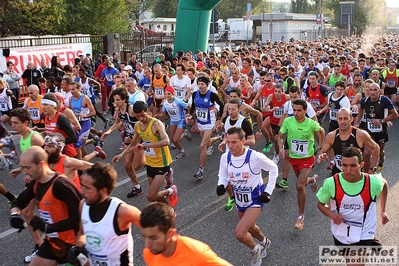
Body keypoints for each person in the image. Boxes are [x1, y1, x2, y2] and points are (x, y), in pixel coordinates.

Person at [10, 146, 82, 266]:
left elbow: (79, 217)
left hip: (73, 244)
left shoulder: (61, 184)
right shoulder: (36, 183)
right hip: (53, 241)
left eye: (28, 167)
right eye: (23, 168)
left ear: (41, 164)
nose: (25, 172)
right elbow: (19, 202)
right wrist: (14, 215)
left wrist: (48, 227)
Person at [216, 127, 277, 266]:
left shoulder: (254, 157)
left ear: (244, 141)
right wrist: (221, 185)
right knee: (250, 227)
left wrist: (268, 191)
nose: (230, 146)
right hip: (240, 199)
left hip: (256, 198)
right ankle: (264, 242)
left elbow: (273, 168)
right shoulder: (225, 157)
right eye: (228, 142)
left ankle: (255, 250)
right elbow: (223, 175)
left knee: (240, 233)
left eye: (234, 142)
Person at [69, 163, 141, 266]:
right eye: (82, 186)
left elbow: (152, 228)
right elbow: (82, 232)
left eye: (87, 188)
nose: (82, 192)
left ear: (103, 191)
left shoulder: (122, 211)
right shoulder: (83, 205)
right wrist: (78, 247)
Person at [317, 147, 389, 248]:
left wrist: (383, 210)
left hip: (365, 231)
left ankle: (369, 238)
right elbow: (320, 204)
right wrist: (333, 216)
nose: (348, 170)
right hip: (341, 232)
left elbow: (384, 183)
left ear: (361, 165)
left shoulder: (373, 182)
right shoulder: (331, 183)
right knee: (348, 259)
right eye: (344, 166)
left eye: (353, 166)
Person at [112, 101, 178, 207]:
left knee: (150, 196)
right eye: (138, 116)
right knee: (155, 197)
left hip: (162, 163)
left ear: (147, 111)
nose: (141, 118)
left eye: (142, 115)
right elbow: (133, 144)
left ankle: (170, 191)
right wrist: (122, 155)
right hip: (150, 163)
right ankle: (170, 211)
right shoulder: (138, 126)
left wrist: (145, 146)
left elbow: (166, 141)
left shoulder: (156, 124)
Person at [277, 99, 325, 230]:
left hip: (307, 158)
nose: (296, 113)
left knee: (299, 185)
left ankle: (301, 217)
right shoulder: (288, 121)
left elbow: (321, 131)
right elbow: (280, 136)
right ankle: (313, 180)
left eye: (299, 110)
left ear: (305, 111)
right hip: (294, 158)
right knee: (302, 183)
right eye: (294, 110)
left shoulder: (310, 123)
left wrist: (320, 148)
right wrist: (281, 148)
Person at [141, 202, 232, 266]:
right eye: (144, 236)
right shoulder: (149, 254)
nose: (147, 244)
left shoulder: (198, 254)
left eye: (153, 238)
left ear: (170, 233)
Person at [101, 88, 146, 198]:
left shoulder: (131, 110)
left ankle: (149, 158)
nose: (115, 102)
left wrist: (137, 137)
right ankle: (137, 187)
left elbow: (144, 122)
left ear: (125, 99)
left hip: (140, 139)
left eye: (118, 100)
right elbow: (117, 123)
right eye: (114, 100)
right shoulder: (118, 111)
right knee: (127, 165)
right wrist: (108, 132)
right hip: (129, 138)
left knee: (137, 166)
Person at [318, 108, 380, 176]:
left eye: (345, 118)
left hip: (355, 175)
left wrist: (372, 168)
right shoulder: (331, 136)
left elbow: (376, 147)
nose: (343, 121)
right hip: (338, 174)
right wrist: (321, 155)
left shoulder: (360, 135)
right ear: (337, 120)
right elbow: (323, 151)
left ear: (351, 119)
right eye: (340, 119)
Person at [355, 82, 398, 171]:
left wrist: (382, 121)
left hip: (381, 131)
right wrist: (357, 123)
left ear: (379, 91)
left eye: (375, 90)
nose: (373, 92)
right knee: (366, 153)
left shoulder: (385, 100)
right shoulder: (364, 101)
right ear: (368, 90)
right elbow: (360, 111)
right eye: (371, 90)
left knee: (379, 152)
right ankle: (367, 174)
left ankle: (382, 158)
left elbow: (395, 114)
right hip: (369, 131)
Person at [189, 76, 224, 179]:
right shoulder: (195, 94)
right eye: (199, 84)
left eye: (202, 84)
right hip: (200, 122)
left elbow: (221, 105)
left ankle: (201, 170)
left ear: (207, 85)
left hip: (209, 122)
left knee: (202, 146)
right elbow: (194, 107)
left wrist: (219, 120)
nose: (200, 86)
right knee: (207, 143)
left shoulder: (212, 95)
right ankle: (219, 137)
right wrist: (191, 115)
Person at [156, 86, 191, 159]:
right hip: (172, 121)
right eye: (166, 94)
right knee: (173, 140)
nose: (167, 96)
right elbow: (163, 113)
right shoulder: (165, 102)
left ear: (173, 94)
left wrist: (189, 114)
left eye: (169, 94)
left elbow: (188, 106)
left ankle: (182, 150)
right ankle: (184, 134)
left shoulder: (178, 101)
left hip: (181, 121)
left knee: (175, 140)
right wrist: (157, 116)